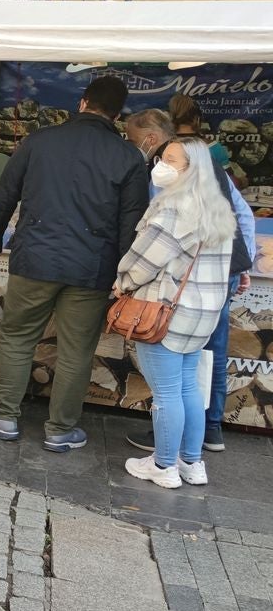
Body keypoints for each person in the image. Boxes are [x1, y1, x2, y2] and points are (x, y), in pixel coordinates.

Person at [0, 76, 150, 451]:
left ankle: (3, 415)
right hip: (93, 269)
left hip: (35, 259)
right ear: (117, 115)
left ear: (82, 103)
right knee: (77, 350)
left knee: (17, 337)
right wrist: (124, 277)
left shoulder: (39, 142)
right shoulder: (129, 156)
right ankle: (61, 430)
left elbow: (4, 199)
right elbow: (133, 225)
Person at [124, 109, 256, 454]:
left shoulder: (174, 192)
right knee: (199, 368)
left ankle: (167, 456)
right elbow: (242, 215)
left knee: (174, 384)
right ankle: (201, 443)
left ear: (151, 138)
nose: (158, 164)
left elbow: (154, 251)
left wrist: (122, 281)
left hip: (179, 292)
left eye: (134, 139)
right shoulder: (209, 184)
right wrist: (242, 264)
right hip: (213, 286)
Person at [115, 138, 235, 488]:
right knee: (187, 388)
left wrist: (122, 281)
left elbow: (146, 259)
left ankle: (164, 466)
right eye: (161, 158)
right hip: (203, 314)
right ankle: (192, 463)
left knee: (166, 392)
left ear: (190, 168)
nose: (160, 166)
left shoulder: (173, 206)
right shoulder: (216, 207)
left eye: (170, 160)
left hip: (167, 313)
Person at [169, 93, 231, 170]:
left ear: (170, 119)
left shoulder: (165, 148)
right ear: (197, 119)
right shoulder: (214, 147)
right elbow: (230, 181)